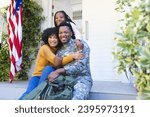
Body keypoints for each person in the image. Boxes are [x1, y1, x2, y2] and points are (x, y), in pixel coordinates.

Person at [19, 27, 84, 100]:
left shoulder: (58, 49)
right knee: (29, 93)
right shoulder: (45, 48)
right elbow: (57, 62)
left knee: (37, 94)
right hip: (37, 76)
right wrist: (73, 56)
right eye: (50, 37)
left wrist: (78, 40)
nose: (52, 40)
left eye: (55, 38)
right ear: (47, 38)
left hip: (49, 75)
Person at [46, 22, 93, 100]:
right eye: (60, 33)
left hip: (81, 79)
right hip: (65, 80)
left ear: (71, 33)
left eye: (66, 32)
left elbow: (80, 66)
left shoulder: (81, 45)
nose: (63, 34)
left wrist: (59, 71)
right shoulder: (59, 51)